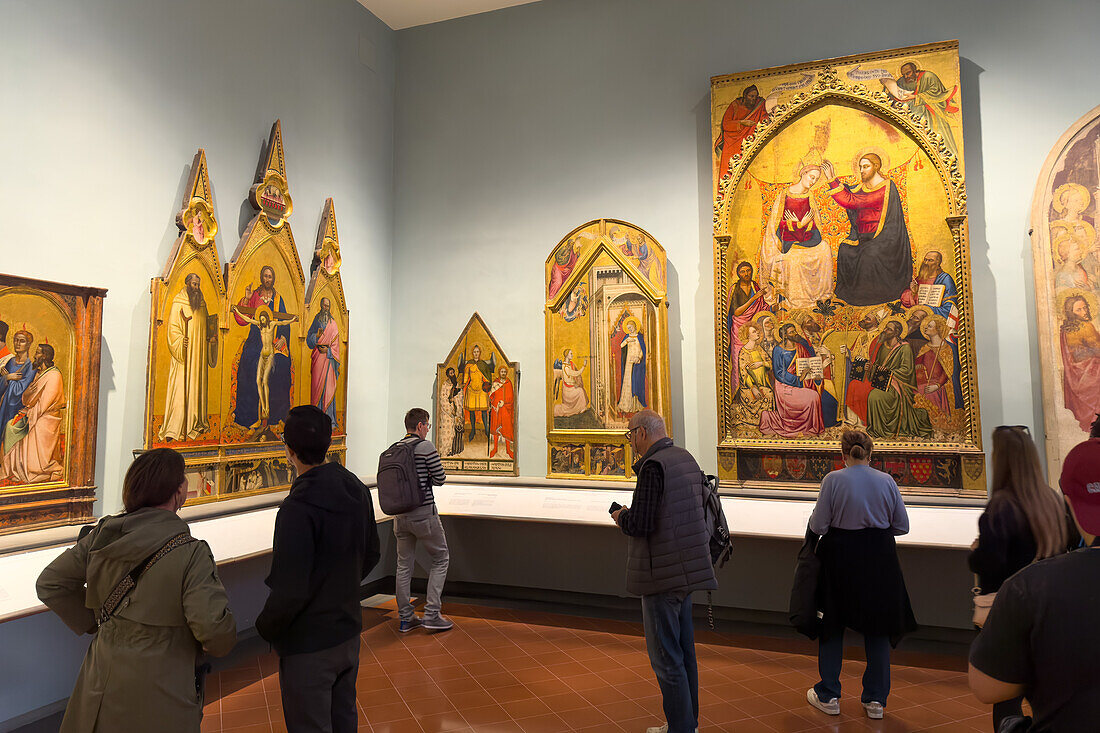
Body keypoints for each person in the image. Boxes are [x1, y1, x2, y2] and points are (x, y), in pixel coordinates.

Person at [36, 448, 236, 733]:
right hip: (164, 683)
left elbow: (50, 584)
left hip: (102, 678)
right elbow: (215, 631)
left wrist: (95, 619)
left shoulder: (103, 536)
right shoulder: (191, 552)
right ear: (179, 491)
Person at [256, 405, 380, 733]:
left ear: (289, 452)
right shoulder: (354, 487)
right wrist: (342, 588)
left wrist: (265, 628)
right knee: (344, 720)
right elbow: (372, 553)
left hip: (309, 644)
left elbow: (290, 588)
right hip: (348, 630)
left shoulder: (297, 509)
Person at [969, 428, 1100, 730]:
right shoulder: (1047, 500)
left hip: (1031, 610)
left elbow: (986, 687)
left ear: (1071, 503)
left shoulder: (1027, 587)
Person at [612, 410, 716, 733]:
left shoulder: (652, 468)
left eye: (630, 435)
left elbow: (642, 524)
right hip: (686, 570)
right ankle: (686, 723)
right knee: (685, 653)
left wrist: (621, 516)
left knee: (666, 659)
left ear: (642, 433)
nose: (630, 442)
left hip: (662, 575)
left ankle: (681, 728)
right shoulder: (684, 458)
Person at [806, 430, 915, 721]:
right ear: (871, 454)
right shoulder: (886, 481)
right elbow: (901, 525)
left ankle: (829, 694)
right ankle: (876, 700)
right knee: (877, 626)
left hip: (839, 558)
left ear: (843, 454)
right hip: (879, 559)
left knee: (833, 624)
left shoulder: (833, 480)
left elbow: (818, 526)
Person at [822, 156, 914, 306]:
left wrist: (831, 179)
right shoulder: (863, 187)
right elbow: (851, 192)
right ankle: (849, 295)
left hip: (885, 239)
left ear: (876, 167)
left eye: (866, 167)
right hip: (862, 238)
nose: (861, 170)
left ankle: (868, 298)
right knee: (845, 250)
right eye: (860, 167)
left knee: (868, 254)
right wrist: (836, 181)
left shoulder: (886, 187)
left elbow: (852, 200)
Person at [393, 408, 453, 633]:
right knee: (440, 558)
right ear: (419, 426)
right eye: (427, 425)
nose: (428, 429)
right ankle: (432, 614)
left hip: (400, 516)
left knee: (403, 565)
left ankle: (406, 618)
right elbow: (440, 478)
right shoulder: (425, 447)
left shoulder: (395, 448)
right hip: (423, 514)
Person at [760, 157, 833, 308]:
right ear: (803, 173)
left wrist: (804, 225)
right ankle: (797, 300)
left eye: (816, 179)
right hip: (789, 241)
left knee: (825, 248)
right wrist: (796, 224)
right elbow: (776, 224)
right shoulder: (784, 195)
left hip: (807, 239)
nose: (813, 181)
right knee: (793, 259)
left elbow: (814, 224)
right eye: (811, 177)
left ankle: (821, 296)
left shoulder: (810, 197)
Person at [232, 265, 294, 432]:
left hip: (273, 342)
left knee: (282, 367)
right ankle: (248, 418)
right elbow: (242, 319)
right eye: (265, 276)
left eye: (270, 276)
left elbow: (284, 322)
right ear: (262, 278)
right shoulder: (255, 296)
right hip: (255, 340)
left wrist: (282, 338)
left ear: (273, 279)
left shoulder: (278, 298)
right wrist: (245, 299)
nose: (268, 279)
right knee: (247, 367)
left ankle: (276, 417)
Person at [161, 273, 218, 442]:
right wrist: (180, 340)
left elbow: (208, 326)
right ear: (187, 284)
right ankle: (175, 427)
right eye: (194, 284)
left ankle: (196, 423)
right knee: (181, 388)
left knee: (197, 386)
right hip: (184, 356)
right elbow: (172, 328)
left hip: (199, 355)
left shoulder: (201, 302)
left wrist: (211, 339)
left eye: (198, 285)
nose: (196, 288)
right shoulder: (178, 302)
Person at [2, 343, 65, 483]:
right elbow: (26, 399)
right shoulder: (38, 374)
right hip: (34, 414)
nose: (35, 356)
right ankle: (16, 468)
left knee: (24, 430)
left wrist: (28, 412)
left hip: (46, 418)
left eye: (37, 353)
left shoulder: (54, 375)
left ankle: (37, 469)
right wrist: (27, 395)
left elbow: (45, 404)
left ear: (44, 356)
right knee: (10, 426)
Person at [866, 320, 934, 439]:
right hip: (883, 382)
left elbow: (907, 370)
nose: (885, 331)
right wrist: (870, 368)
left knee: (876, 396)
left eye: (889, 329)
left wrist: (889, 372)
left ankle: (887, 430)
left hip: (899, 386)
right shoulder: (883, 347)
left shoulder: (904, 348)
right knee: (873, 395)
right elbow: (877, 367)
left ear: (897, 333)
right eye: (886, 328)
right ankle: (878, 429)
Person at [884, 62, 960, 158]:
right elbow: (893, 94)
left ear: (915, 70)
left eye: (908, 73)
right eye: (904, 75)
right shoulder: (902, 81)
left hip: (933, 113)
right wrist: (887, 87)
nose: (906, 77)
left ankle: (950, 159)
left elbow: (937, 93)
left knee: (939, 138)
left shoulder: (928, 77)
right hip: (913, 116)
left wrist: (916, 97)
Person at [1059, 294, 1100, 432]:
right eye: (1079, 310)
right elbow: (1090, 351)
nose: (1084, 311)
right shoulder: (1086, 326)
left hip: (1075, 375)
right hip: (1087, 371)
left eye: (1085, 307)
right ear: (1071, 312)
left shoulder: (1065, 329)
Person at [306, 297, 341, 424]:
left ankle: (329, 419)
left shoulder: (333, 323)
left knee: (328, 387)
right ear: (321, 306)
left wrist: (329, 351)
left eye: (328, 306)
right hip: (317, 359)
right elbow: (308, 339)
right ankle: (315, 418)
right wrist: (316, 336)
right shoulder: (316, 320)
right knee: (316, 386)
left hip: (328, 360)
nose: (326, 308)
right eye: (324, 306)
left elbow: (336, 345)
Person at [488, 366, 514, 459]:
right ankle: (495, 449)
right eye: (501, 371)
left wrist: (505, 403)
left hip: (506, 409)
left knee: (506, 429)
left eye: (504, 372)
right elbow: (491, 395)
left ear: (506, 373)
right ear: (499, 373)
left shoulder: (508, 383)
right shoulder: (496, 383)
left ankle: (508, 450)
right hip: (496, 409)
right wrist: (494, 402)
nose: (503, 373)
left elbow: (511, 397)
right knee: (495, 429)